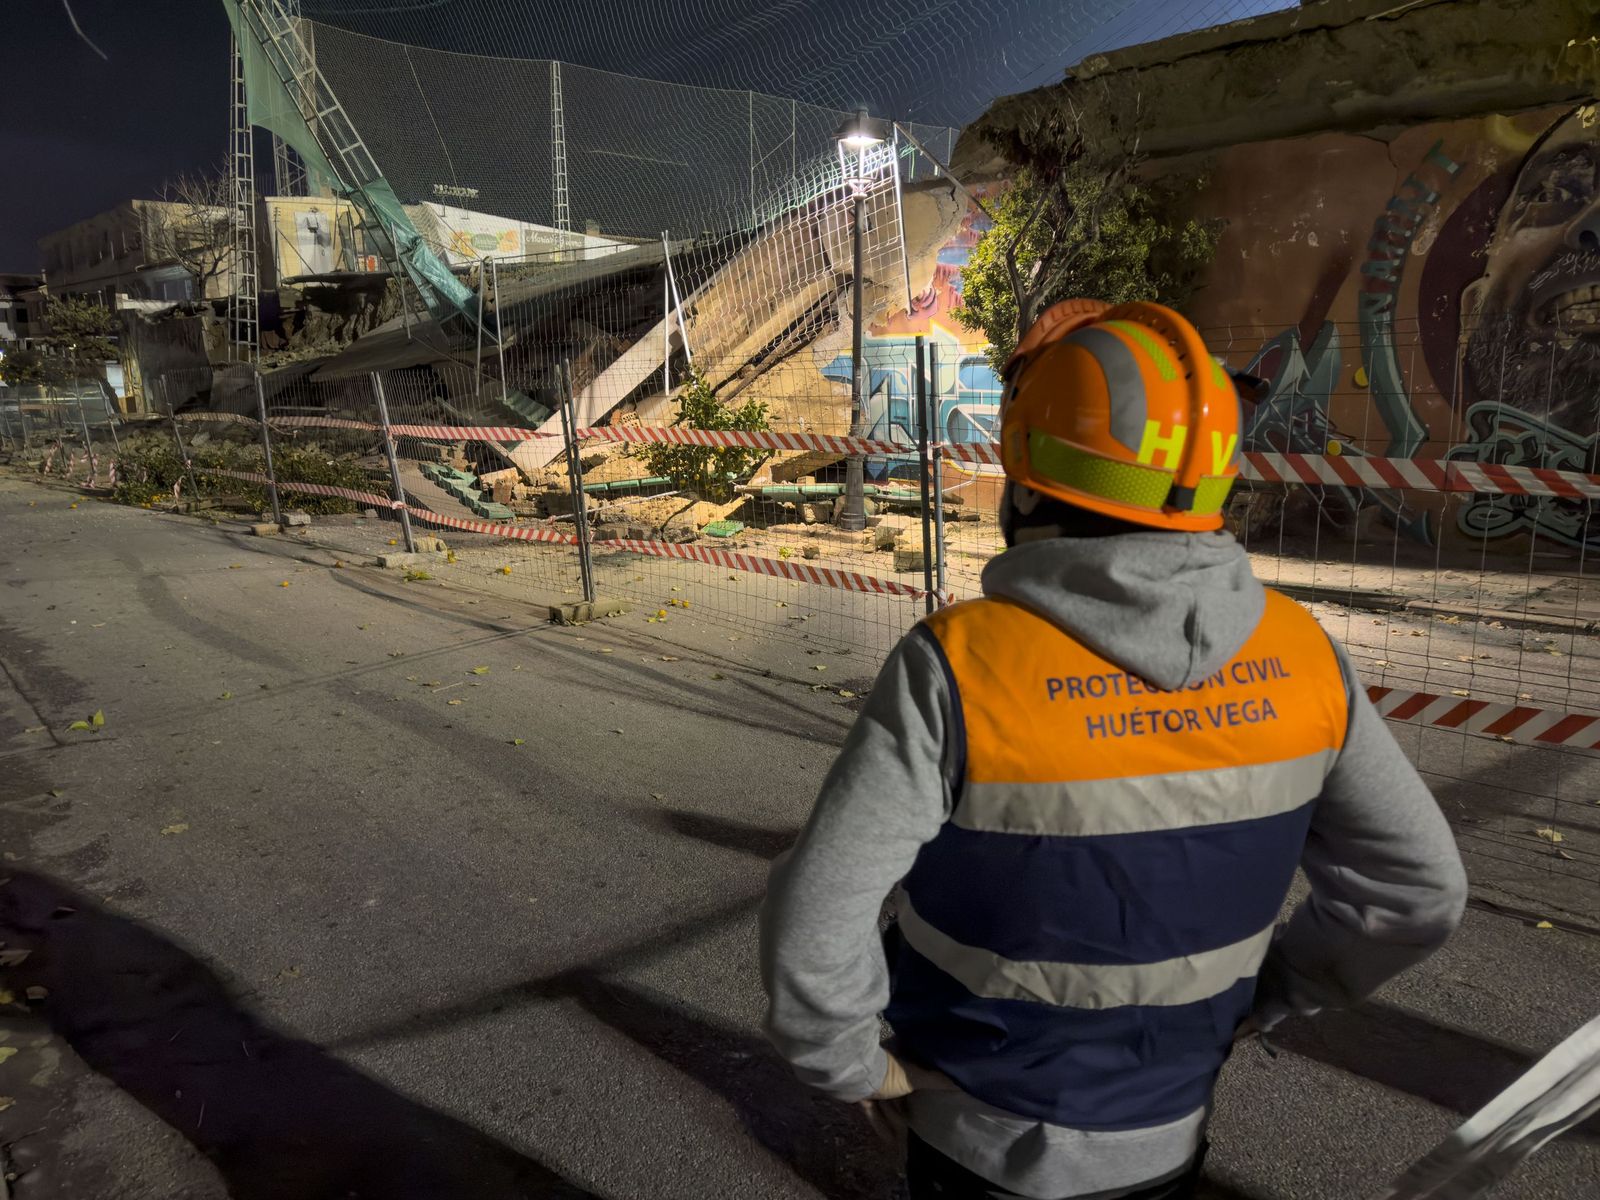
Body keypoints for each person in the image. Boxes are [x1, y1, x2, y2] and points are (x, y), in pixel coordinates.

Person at [759, 299, 1468, 1199]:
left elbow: (815, 918)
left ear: (1024, 480)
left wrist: (855, 1068)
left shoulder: (960, 665)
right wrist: (1274, 994)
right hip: (1169, 1140)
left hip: (973, 1135)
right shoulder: (1306, 659)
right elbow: (1420, 891)